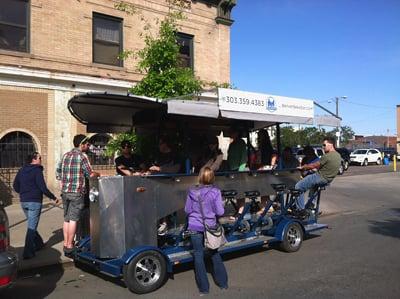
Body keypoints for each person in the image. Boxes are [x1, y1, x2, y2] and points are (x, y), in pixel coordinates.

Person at [184, 167, 228, 295]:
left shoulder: (192, 191)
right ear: (212, 177)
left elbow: (187, 209)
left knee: (198, 255)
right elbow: (220, 212)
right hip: (210, 226)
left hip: (194, 226)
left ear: (200, 177)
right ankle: (223, 283)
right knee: (214, 253)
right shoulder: (216, 192)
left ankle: (204, 289)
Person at [56, 134, 100, 254]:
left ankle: (65, 243)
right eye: (86, 144)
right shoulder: (82, 157)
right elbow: (89, 174)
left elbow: (58, 171)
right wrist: (98, 174)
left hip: (65, 192)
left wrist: (62, 183)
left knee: (66, 219)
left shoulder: (65, 155)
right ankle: (70, 245)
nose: (88, 146)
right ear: (81, 144)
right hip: (77, 192)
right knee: (74, 219)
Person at [13, 152, 59, 259]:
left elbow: (15, 185)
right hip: (34, 202)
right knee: (31, 227)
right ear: (34, 159)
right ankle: (28, 253)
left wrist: (23, 193)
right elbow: (43, 188)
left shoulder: (22, 170)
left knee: (31, 225)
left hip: (24, 201)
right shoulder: (37, 170)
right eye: (39, 158)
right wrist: (54, 197)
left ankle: (39, 244)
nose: (41, 159)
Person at [295, 136, 341, 212]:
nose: (323, 147)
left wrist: (303, 167)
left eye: (324, 145)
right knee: (312, 188)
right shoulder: (338, 155)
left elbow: (313, 165)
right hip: (327, 180)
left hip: (320, 177)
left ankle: (300, 211)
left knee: (298, 187)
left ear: (331, 144)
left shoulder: (327, 156)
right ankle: (310, 208)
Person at [149, 136, 181, 235]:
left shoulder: (175, 156)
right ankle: (157, 223)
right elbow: (153, 168)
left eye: (160, 144)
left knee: (163, 200)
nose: (159, 146)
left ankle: (164, 223)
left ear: (165, 144)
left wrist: (159, 169)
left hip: (170, 184)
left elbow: (175, 169)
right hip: (156, 184)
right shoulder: (158, 156)